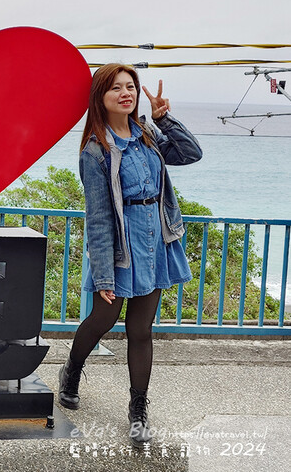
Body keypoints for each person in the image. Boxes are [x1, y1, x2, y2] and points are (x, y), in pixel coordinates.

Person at [58, 64, 202, 446]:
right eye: (116, 88)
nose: (126, 93)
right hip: (121, 244)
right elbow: (99, 215)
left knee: (141, 329)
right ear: (100, 98)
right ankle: (71, 370)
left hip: (155, 241)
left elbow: (191, 153)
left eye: (130, 87)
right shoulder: (96, 150)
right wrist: (104, 274)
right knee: (103, 318)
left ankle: (138, 409)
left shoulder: (148, 135)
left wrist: (164, 118)